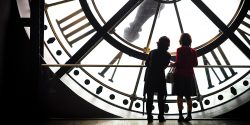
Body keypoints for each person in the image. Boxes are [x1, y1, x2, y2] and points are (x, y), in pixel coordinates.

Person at [143, 36, 171, 123]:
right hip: (160, 77)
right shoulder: (168, 55)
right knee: (161, 98)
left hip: (150, 77)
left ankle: (149, 116)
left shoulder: (152, 52)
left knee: (149, 97)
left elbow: (146, 64)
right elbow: (165, 66)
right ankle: (161, 116)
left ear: (158, 43)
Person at [171, 33, 198, 122]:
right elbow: (195, 64)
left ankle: (180, 115)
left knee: (180, 96)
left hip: (179, 75)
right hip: (189, 75)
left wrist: (173, 64)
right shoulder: (193, 51)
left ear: (181, 41)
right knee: (188, 96)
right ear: (190, 41)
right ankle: (189, 115)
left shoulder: (179, 50)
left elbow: (178, 63)